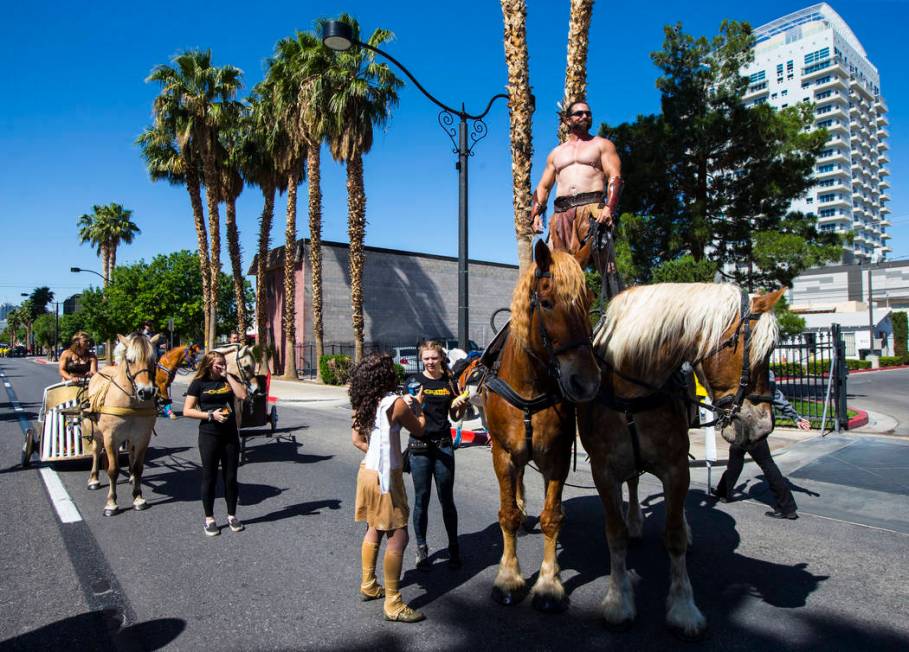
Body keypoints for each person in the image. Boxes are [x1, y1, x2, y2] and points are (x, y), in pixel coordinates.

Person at [350, 353, 427, 623]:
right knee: (399, 536)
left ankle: (369, 584)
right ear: (386, 376)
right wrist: (418, 407)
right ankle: (393, 603)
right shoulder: (396, 404)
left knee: (373, 527)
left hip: (366, 472)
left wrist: (377, 449)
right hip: (386, 477)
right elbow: (418, 430)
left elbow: (356, 439)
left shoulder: (363, 402)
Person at [529, 101, 623, 293]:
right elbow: (544, 186)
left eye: (588, 113)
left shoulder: (602, 145)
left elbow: (615, 176)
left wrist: (609, 208)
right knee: (555, 269)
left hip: (592, 210)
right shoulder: (556, 153)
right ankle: (561, 316)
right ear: (567, 120)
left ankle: (618, 313)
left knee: (607, 267)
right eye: (579, 113)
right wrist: (536, 214)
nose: (585, 116)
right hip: (561, 214)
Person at [405, 341, 469, 571]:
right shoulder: (413, 382)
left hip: (443, 446)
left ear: (441, 358)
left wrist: (460, 404)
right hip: (419, 447)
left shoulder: (449, 382)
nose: (430, 362)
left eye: (434, 358)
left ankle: (454, 548)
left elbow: (454, 414)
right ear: (421, 359)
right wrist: (416, 406)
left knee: (447, 501)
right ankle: (421, 549)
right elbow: (407, 416)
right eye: (426, 359)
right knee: (421, 500)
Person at [711, 371, 810, 519]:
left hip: (750, 424)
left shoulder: (743, 371)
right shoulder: (766, 371)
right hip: (750, 423)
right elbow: (776, 396)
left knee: (765, 462)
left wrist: (795, 417)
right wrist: (795, 417)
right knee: (736, 455)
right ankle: (723, 491)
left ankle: (787, 507)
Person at [183, 350, 248, 536]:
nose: (221, 366)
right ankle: (209, 518)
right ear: (209, 364)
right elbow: (187, 410)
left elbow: (242, 395)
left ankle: (232, 516)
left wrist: (227, 375)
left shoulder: (228, 379)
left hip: (230, 435)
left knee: (230, 477)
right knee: (209, 477)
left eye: (223, 363)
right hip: (209, 435)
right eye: (218, 364)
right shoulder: (198, 383)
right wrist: (210, 415)